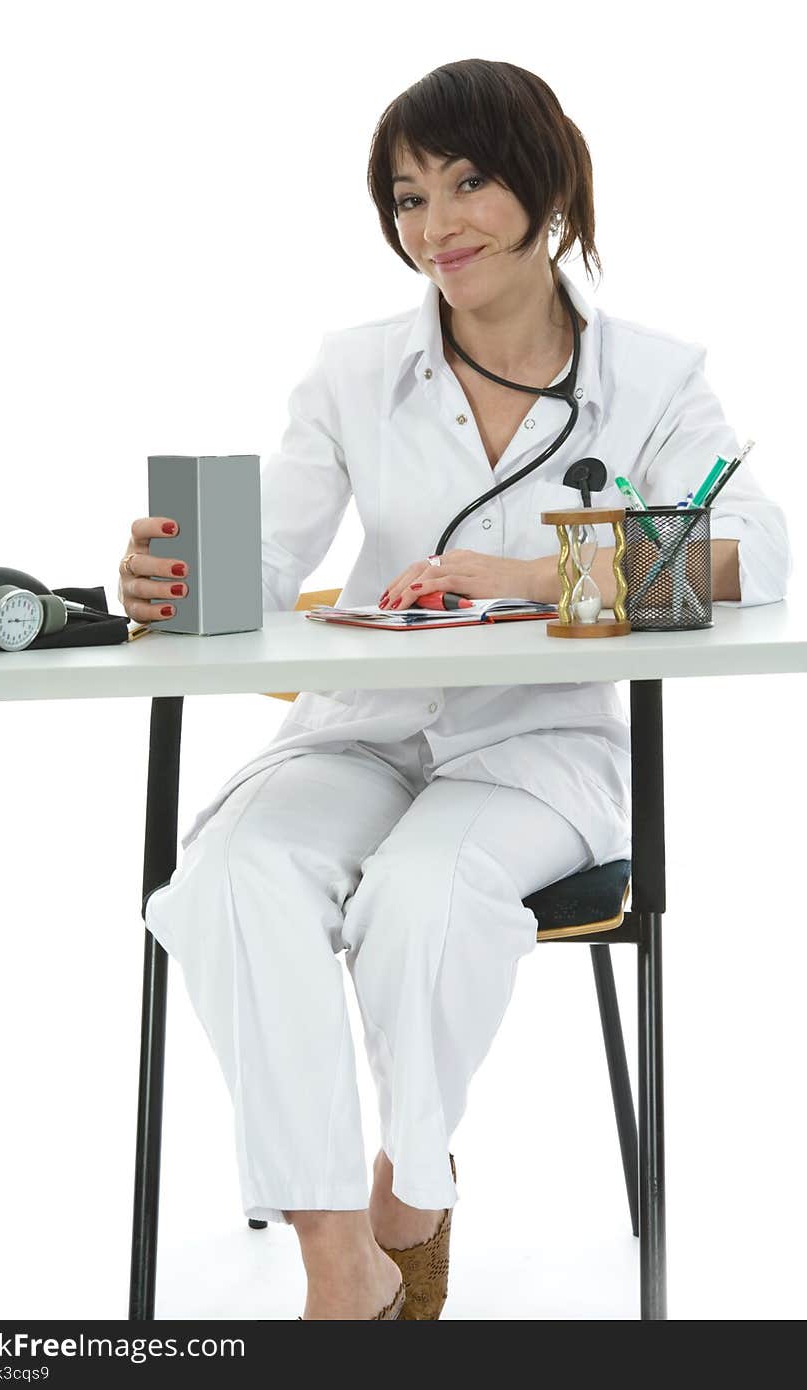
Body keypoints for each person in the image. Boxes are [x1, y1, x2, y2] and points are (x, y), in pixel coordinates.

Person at [117, 58, 791, 1320]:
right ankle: (342, 1261)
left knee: (425, 897)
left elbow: (752, 551)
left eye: (468, 182)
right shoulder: (354, 368)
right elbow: (269, 556)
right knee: (226, 883)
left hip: (538, 750)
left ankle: (408, 1197)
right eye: (408, 196)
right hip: (360, 732)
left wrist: (539, 572)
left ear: (547, 187)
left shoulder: (649, 376)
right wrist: (176, 573)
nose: (437, 226)